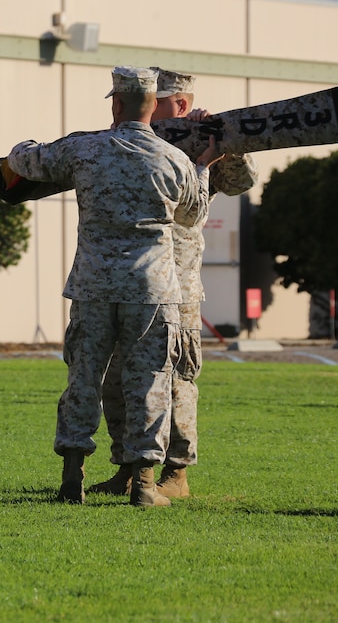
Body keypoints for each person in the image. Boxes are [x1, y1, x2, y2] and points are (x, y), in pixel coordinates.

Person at [6, 66, 219, 507]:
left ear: (116, 105)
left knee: (84, 377)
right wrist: (201, 169)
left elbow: (25, 159)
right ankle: (144, 481)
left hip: (93, 286)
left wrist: (25, 145)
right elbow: (193, 216)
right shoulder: (173, 159)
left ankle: (72, 477)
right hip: (152, 288)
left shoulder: (84, 149)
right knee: (150, 381)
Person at [89, 68, 258, 499]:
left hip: (176, 282)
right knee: (118, 374)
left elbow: (240, 183)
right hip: (126, 277)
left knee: (176, 374)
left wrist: (221, 140)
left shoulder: (201, 143)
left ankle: (176, 472)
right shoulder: (133, 137)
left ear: (179, 105)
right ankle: (129, 465)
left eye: (154, 98)